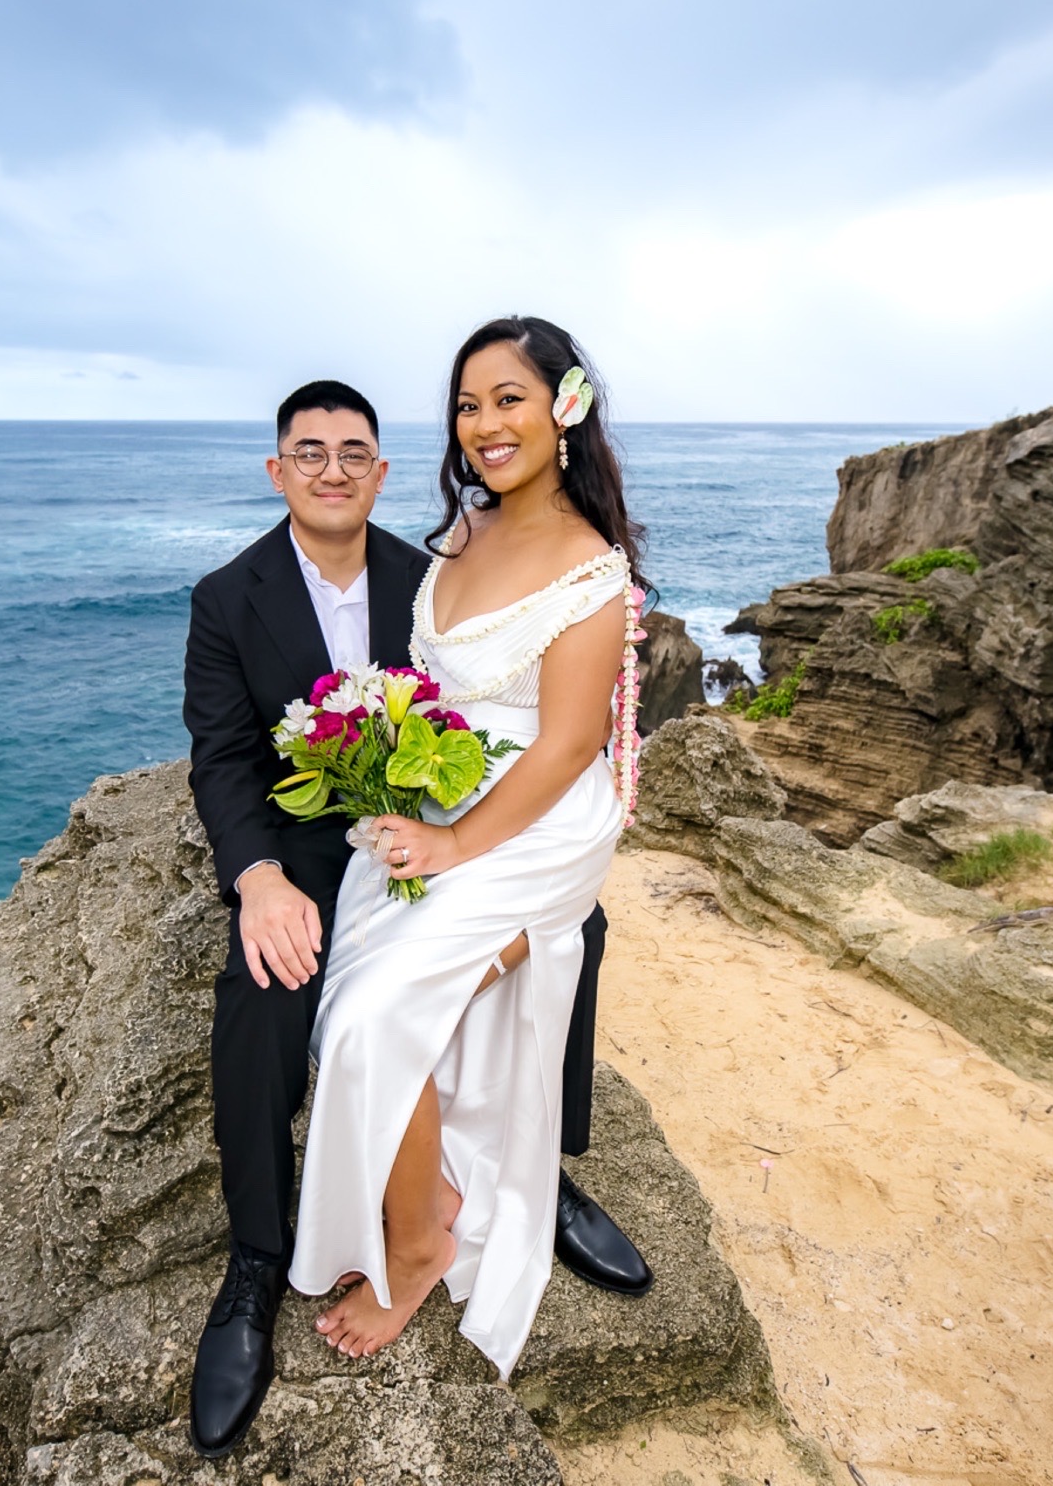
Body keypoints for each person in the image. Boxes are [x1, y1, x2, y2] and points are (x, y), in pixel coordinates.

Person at [180, 373, 648, 1460]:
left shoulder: (428, 570)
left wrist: (456, 830)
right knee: (265, 992)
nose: (333, 471)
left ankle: (542, 1165)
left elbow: (527, 706)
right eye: (310, 452)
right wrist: (256, 876)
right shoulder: (227, 597)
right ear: (278, 469)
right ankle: (256, 1260)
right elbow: (224, 757)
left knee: (574, 934)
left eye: (355, 453)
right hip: (307, 846)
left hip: (439, 813)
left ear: (382, 472)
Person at [288, 317, 645, 1379]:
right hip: (446, 787)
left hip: (536, 823)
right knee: (353, 1000)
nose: (484, 424)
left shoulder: (593, 569)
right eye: (467, 403)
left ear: (563, 408)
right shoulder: (458, 537)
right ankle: (428, 1197)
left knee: (376, 1013)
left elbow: (574, 740)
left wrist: (452, 843)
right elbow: (434, 684)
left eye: (509, 398)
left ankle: (418, 1244)